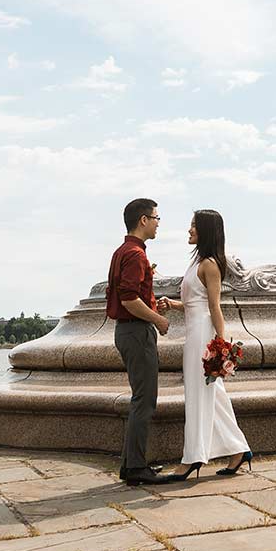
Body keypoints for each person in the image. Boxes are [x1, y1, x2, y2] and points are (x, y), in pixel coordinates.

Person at [171, 209, 252, 478]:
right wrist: (173, 304)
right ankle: (238, 449)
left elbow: (215, 307)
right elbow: (195, 303)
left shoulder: (210, 265)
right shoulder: (197, 264)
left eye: (194, 226)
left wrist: (220, 343)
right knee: (212, 394)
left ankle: (193, 457)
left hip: (202, 335)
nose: (189, 230)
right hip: (195, 331)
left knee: (198, 394)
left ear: (205, 230)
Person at [107, 197, 172, 485]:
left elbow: (132, 297)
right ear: (143, 220)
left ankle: (130, 464)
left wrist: (153, 305)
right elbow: (129, 299)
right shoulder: (135, 254)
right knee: (145, 400)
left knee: (140, 398)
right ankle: (136, 468)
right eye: (157, 218)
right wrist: (158, 320)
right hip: (136, 331)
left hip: (128, 331)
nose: (159, 223)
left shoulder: (124, 251)